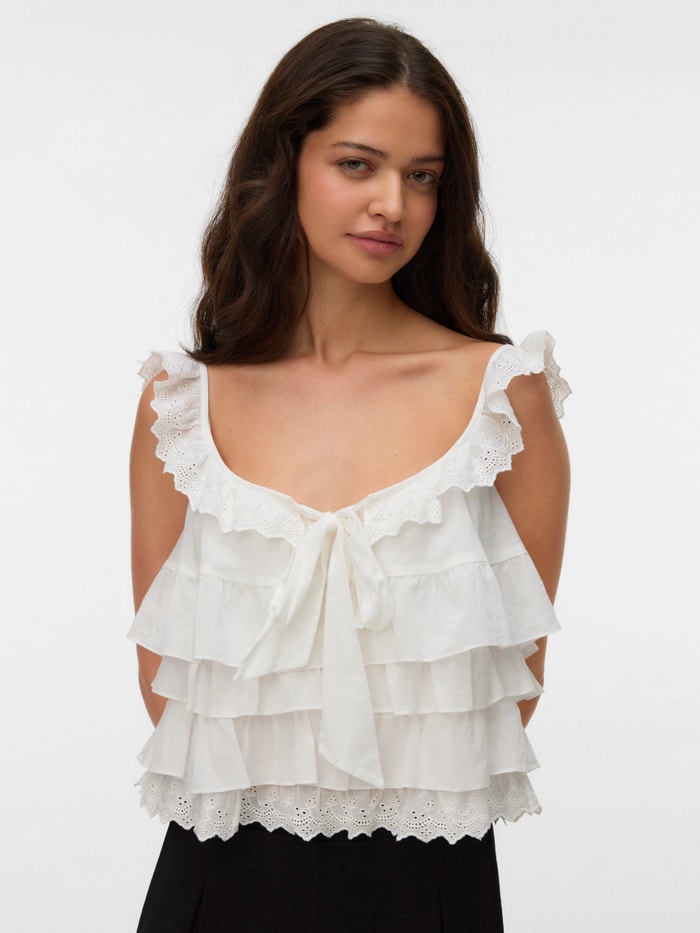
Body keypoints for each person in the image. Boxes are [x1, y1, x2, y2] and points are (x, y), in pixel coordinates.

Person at [129, 17, 570, 932]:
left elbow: (511, 689)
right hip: (217, 881)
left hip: (429, 883)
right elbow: (167, 690)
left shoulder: (503, 397)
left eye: (424, 177)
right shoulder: (181, 404)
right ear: (283, 163)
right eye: (358, 164)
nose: (392, 206)